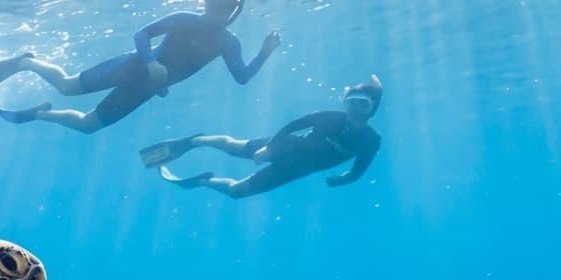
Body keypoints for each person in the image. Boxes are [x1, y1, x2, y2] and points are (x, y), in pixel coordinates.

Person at [0, 0, 279, 133]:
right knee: (66, 87)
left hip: (144, 90)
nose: (214, 11)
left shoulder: (229, 43)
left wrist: (264, 53)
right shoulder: (183, 19)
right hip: (131, 67)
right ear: (205, 0)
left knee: (88, 126)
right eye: (212, 3)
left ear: (234, 9)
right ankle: (26, 62)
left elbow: (242, 78)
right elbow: (142, 34)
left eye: (222, 7)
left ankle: (40, 114)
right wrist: (151, 63)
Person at [140, 77, 383, 198]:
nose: (354, 109)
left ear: (373, 108)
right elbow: (291, 126)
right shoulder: (329, 118)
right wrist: (269, 149)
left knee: (237, 192)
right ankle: (192, 142)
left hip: (297, 169)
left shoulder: (371, 142)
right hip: (285, 147)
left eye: (362, 104)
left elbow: (357, 171)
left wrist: (341, 180)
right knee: (233, 146)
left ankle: (203, 181)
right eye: (351, 102)